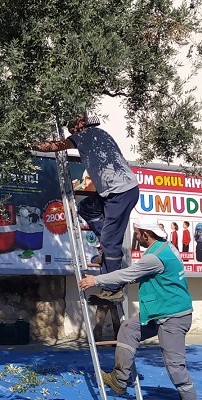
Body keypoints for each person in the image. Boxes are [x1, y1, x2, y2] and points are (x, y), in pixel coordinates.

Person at [78, 219, 202, 400]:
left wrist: (96, 280)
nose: (135, 237)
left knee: (176, 369)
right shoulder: (166, 247)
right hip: (159, 312)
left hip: (173, 317)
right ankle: (119, 379)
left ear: (146, 235)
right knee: (129, 327)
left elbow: (128, 274)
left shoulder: (154, 257)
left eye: (137, 233)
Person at [34, 113, 140, 301]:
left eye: (72, 124)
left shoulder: (87, 135)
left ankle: (113, 288)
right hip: (112, 192)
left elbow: (55, 147)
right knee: (87, 209)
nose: (70, 129)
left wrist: (29, 145)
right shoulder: (99, 134)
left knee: (110, 240)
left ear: (81, 123)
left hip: (121, 193)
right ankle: (107, 250)